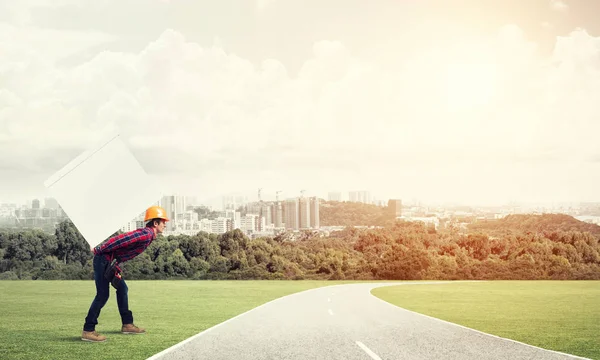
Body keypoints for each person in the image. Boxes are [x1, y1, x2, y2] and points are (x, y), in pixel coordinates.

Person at [81, 205, 169, 342]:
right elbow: (121, 240)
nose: (165, 225)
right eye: (163, 222)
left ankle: (127, 324)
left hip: (110, 262)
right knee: (102, 295)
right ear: (155, 223)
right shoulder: (146, 234)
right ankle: (88, 330)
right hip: (103, 259)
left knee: (122, 288)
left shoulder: (149, 235)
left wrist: (116, 263)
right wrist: (99, 249)